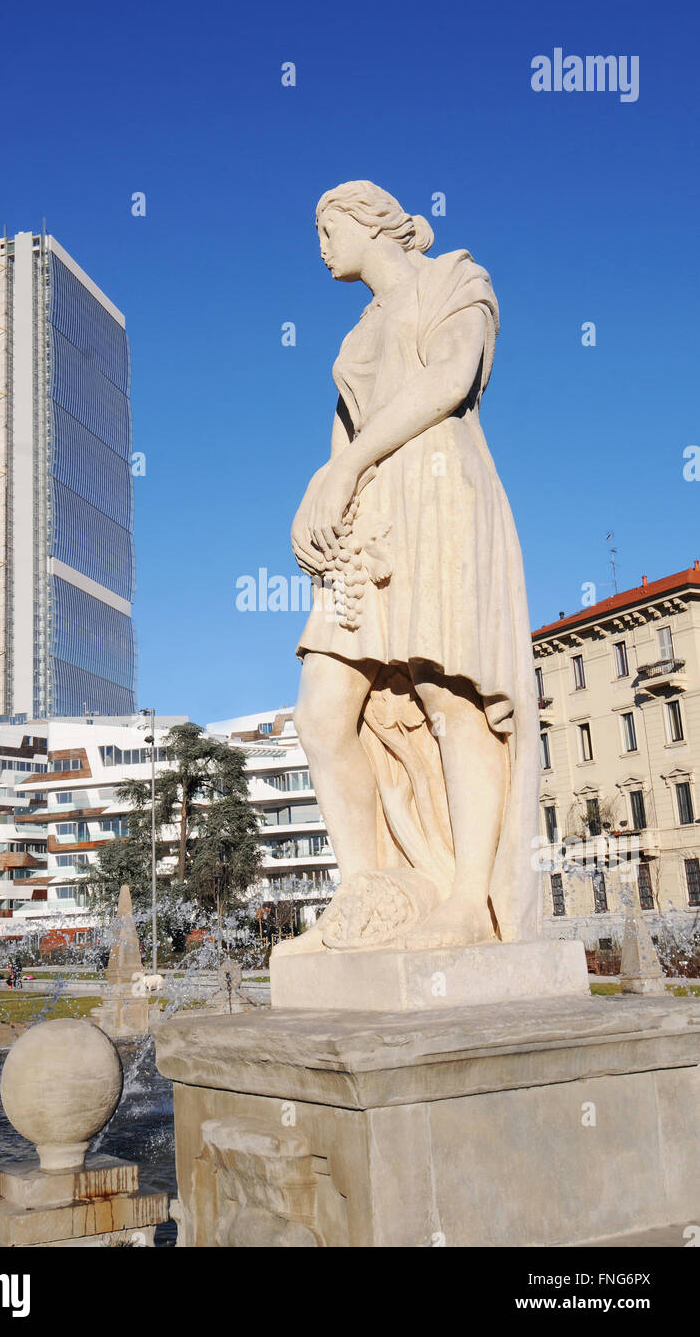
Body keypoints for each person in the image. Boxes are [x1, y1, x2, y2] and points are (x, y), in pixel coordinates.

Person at [280, 180, 540, 956]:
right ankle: (366, 897)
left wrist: (349, 465)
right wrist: (317, 497)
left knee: (448, 694)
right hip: (368, 516)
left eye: (326, 227)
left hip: (437, 491)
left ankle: (468, 902)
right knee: (322, 711)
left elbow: (449, 379)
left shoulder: (454, 277)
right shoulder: (356, 335)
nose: (320, 245)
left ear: (367, 222)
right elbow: (341, 436)